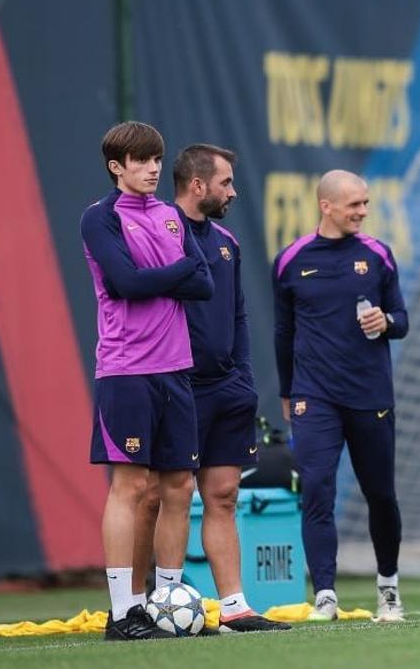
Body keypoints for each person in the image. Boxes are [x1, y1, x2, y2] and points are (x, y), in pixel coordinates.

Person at [131, 144, 289, 632]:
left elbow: (238, 313)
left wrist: (243, 377)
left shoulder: (226, 242)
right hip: (176, 385)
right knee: (163, 495)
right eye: (225, 183)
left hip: (227, 388)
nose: (233, 192)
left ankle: (235, 607)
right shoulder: (158, 232)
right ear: (197, 185)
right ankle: (150, 605)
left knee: (223, 495)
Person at [81, 121, 214, 640]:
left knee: (180, 486)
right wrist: (174, 273)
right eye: (141, 160)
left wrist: (158, 277)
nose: (153, 168)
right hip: (127, 370)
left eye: (157, 159)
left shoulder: (171, 216)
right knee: (131, 487)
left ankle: (165, 603)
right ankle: (123, 613)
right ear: (117, 166)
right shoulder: (100, 217)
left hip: (176, 368)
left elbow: (203, 284)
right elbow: (125, 283)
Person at [273, 170, 409, 623]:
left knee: (380, 495)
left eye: (365, 203)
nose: (363, 211)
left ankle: (388, 588)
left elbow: (402, 318)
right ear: (326, 205)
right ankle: (325, 596)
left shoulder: (377, 254)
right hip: (314, 396)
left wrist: (386, 322)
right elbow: (283, 332)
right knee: (316, 489)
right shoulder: (291, 260)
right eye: (354, 204)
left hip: (370, 394)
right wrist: (287, 390)